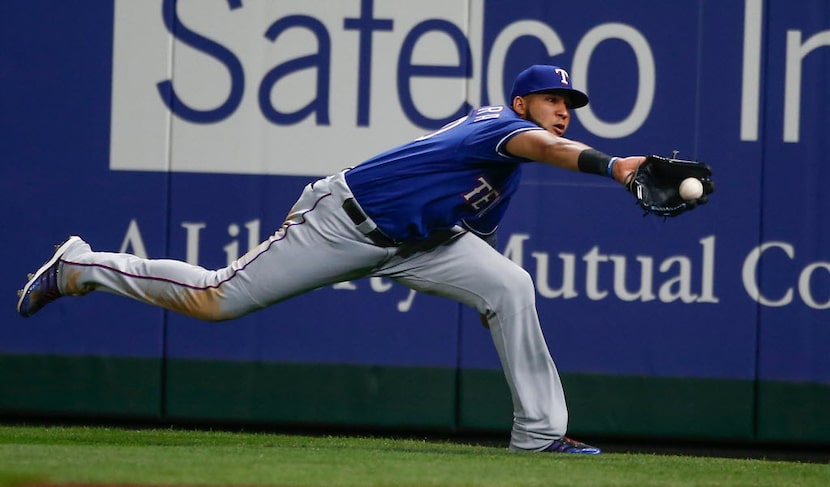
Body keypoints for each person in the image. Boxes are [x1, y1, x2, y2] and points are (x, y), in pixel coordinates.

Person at [17, 64, 645, 454]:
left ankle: (539, 435)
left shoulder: (505, 174)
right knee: (216, 298)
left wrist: (470, 274)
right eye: (550, 99)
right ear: (520, 105)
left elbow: (471, 215)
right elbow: (549, 149)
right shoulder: (496, 130)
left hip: (417, 244)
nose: (562, 111)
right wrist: (614, 165)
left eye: (569, 104)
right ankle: (80, 266)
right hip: (343, 222)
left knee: (509, 286)